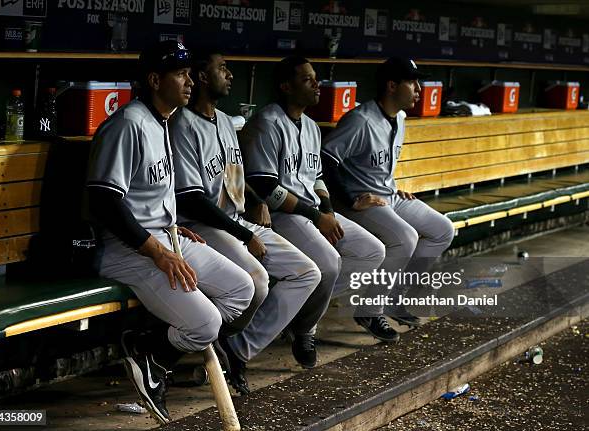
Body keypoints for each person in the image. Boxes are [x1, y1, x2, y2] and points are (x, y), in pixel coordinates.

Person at [85, 41, 254, 424]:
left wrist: (172, 227)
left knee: (241, 289)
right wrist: (158, 252)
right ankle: (152, 354)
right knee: (207, 323)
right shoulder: (128, 124)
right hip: (128, 250)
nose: (190, 80)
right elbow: (105, 202)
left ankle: (152, 349)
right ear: (154, 79)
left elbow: (147, 192)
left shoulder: (162, 119)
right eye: (180, 74)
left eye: (189, 73)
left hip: (166, 237)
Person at [168, 50, 321, 395]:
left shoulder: (224, 120)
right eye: (222, 68)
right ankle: (200, 350)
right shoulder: (181, 125)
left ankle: (236, 350)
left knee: (307, 272)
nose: (231, 75)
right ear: (203, 77)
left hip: (236, 220)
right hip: (202, 226)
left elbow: (234, 175)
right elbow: (191, 198)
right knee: (258, 281)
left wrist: (256, 199)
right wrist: (243, 233)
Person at [239, 56, 392, 343]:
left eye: (315, 78)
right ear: (286, 86)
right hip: (282, 216)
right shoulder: (267, 124)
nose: (316, 84)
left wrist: (329, 212)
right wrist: (317, 216)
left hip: (311, 211)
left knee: (372, 250)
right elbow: (267, 188)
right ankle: (299, 329)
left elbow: (318, 178)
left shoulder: (310, 126)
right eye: (307, 79)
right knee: (330, 263)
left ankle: (297, 313)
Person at [321, 57, 455, 334]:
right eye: (412, 82)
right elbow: (325, 157)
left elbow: (379, 164)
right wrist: (348, 199)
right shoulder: (360, 120)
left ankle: (393, 298)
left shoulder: (401, 118)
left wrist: (393, 184)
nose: (419, 88)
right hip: (361, 202)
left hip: (389, 196)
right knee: (405, 237)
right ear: (392, 86)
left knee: (443, 229)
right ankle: (370, 311)